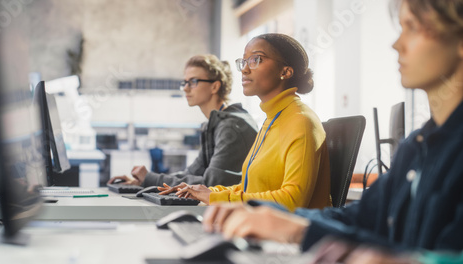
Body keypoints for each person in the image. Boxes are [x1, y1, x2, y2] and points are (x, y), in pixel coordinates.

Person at [201, 0, 463, 258]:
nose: (396, 44)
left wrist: (296, 229)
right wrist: (283, 222)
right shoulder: (416, 147)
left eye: (413, 27)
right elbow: (361, 217)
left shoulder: (299, 120)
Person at [164, 33, 332, 211]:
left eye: (256, 59)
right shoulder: (272, 120)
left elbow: (292, 201)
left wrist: (215, 196)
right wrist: (206, 191)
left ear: (285, 71)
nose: (244, 69)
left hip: (288, 235)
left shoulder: (301, 121)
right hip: (259, 225)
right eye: (244, 62)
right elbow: (249, 188)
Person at [107, 54, 257, 188]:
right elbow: (192, 172)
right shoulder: (213, 124)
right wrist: (145, 181)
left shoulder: (231, 126)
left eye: (193, 81)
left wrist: (151, 178)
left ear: (215, 86)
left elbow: (211, 185)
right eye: (184, 82)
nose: (185, 88)